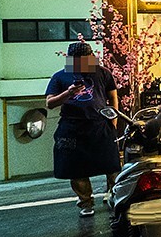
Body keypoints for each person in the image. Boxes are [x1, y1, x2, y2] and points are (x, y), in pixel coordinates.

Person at [45, 42, 121, 217]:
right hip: (72, 126)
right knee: (76, 168)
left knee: (112, 165)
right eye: (78, 60)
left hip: (100, 124)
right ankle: (86, 202)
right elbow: (49, 103)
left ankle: (114, 195)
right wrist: (68, 93)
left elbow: (113, 96)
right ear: (71, 60)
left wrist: (114, 119)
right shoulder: (60, 77)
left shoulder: (102, 72)